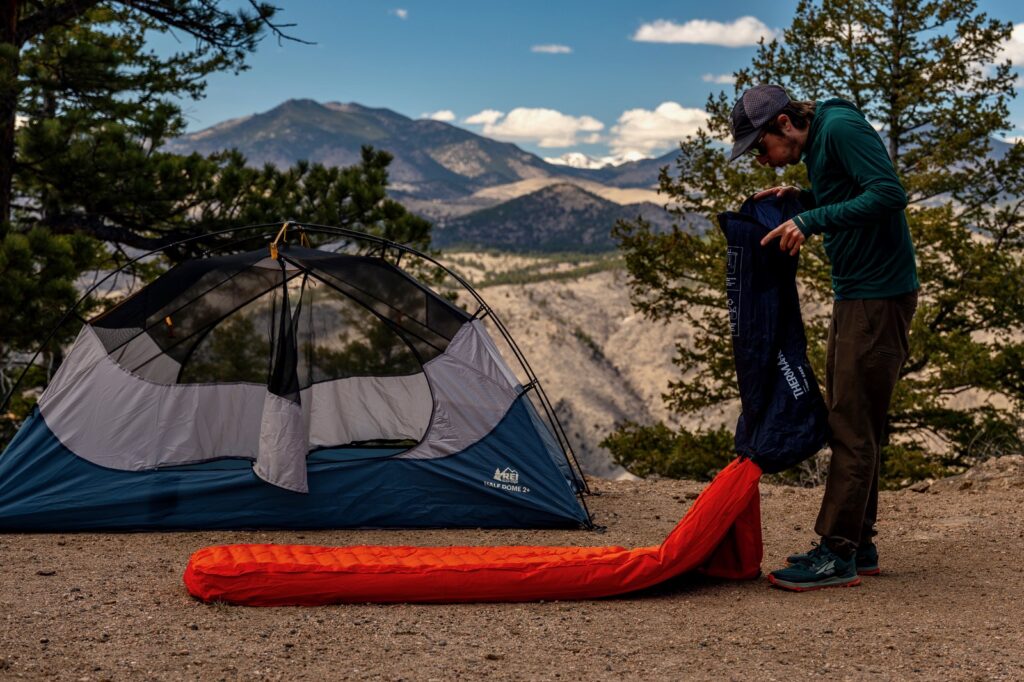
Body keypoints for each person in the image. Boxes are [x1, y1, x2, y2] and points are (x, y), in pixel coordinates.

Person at [728, 84, 919, 591]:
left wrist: (810, 219)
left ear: (784, 124)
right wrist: (801, 198)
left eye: (761, 148)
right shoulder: (819, 140)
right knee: (853, 420)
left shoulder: (839, 127)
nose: (763, 162)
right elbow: (850, 196)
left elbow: (888, 194)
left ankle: (837, 552)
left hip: (877, 297)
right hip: (859, 294)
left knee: (851, 425)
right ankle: (860, 541)